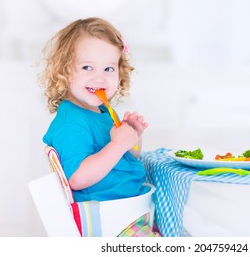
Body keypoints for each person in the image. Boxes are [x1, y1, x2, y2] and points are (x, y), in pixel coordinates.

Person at [40, 17, 160, 237]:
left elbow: (128, 157)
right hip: (107, 221)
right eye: (87, 67)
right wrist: (118, 143)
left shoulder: (103, 111)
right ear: (65, 71)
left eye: (108, 69)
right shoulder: (71, 122)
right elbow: (77, 177)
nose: (100, 78)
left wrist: (133, 137)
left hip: (131, 210)